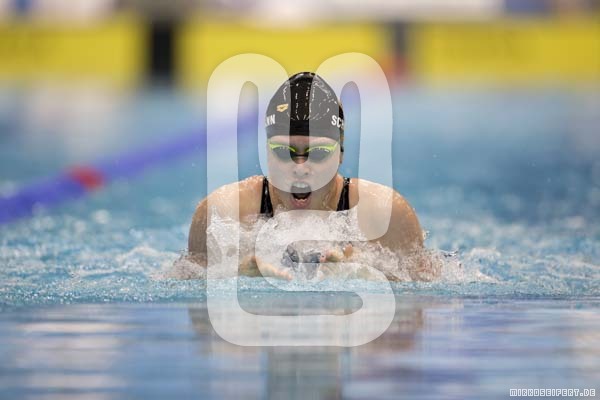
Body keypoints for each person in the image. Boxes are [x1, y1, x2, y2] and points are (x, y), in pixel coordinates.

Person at [188, 72, 436, 281]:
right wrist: (232, 278)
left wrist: (370, 277)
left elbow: (425, 297)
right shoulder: (224, 213)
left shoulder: (385, 214)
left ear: (340, 152)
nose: (300, 166)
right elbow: (185, 282)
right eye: (284, 151)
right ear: (266, 152)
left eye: (317, 153)